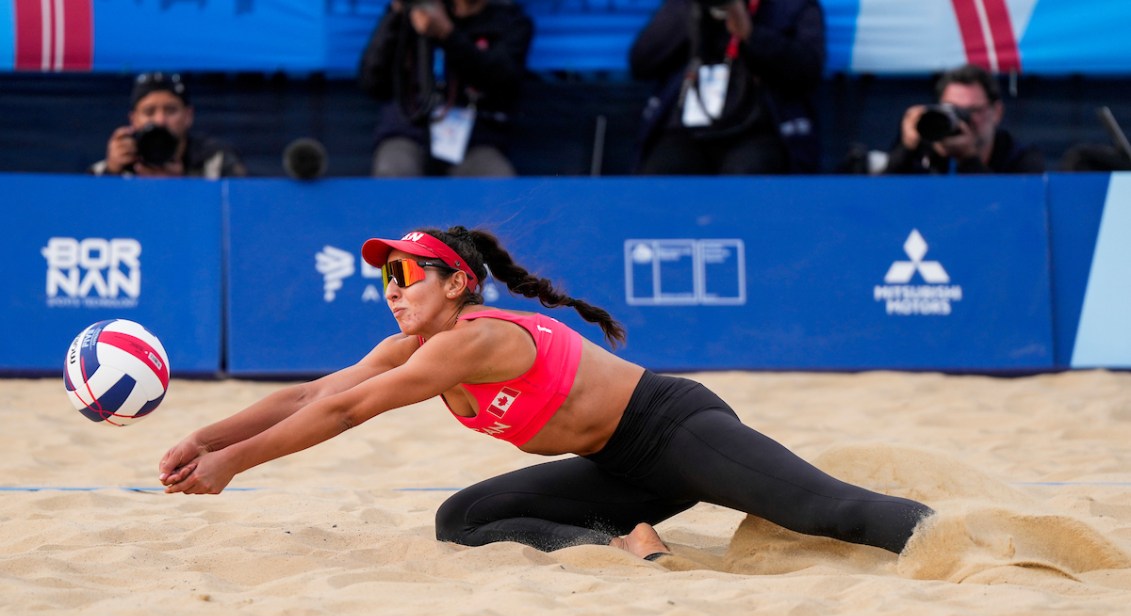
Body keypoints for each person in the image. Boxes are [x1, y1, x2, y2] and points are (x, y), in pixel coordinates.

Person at [158, 226, 935, 561]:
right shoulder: (412, 346)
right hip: (621, 472)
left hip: (672, 430)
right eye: (382, 277)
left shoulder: (475, 338)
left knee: (829, 511)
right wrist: (208, 440)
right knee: (461, 520)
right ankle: (627, 543)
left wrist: (237, 467)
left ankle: (959, 537)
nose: (390, 289)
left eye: (405, 273)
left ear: (458, 281)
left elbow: (348, 411)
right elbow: (314, 393)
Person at [628, 0, 826, 176]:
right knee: (659, 180)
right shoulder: (684, 6)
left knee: (745, 182)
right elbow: (641, 63)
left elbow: (808, 71)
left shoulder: (792, 6)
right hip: (686, 131)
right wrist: (694, 12)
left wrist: (751, 34)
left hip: (756, 129)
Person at [357, 0, 533, 177]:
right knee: (394, 173)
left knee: (497, 181)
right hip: (409, 132)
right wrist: (397, 14)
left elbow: (503, 80)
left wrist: (447, 34)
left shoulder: (511, 22)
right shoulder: (414, 13)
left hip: (475, 140)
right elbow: (372, 83)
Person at [882, 63, 1044, 175]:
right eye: (952, 109)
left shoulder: (1019, 158)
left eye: (972, 110)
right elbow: (878, 201)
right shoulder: (923, 148)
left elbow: (1010, 211)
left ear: (997, 112)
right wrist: (906, 149)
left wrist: (968, 159)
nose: (963, 120)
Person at [89, 72, 247, 179]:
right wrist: (110, 172)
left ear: (188, 116)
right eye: (149, 112)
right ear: (133, 119)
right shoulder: (119, 164)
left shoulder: (215, 161)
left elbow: (244, 211)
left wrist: (180, 185)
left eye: (170, 110)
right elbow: (85, 212)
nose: (160, 120)